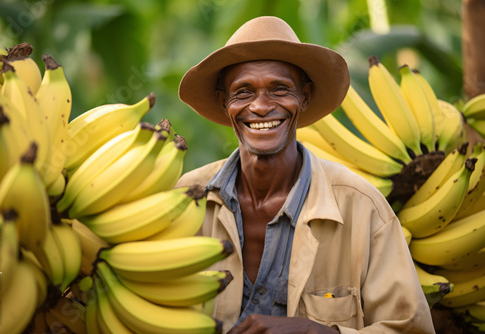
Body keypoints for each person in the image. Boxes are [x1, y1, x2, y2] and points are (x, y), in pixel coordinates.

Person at [176, 16, 435, 334]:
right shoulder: (183, 200)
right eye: (243, 92)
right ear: (223, 102)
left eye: (279, 89)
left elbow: (413, 328)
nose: (260, 106)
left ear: (305, 96)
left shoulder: (360, 206)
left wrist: (319, 331)